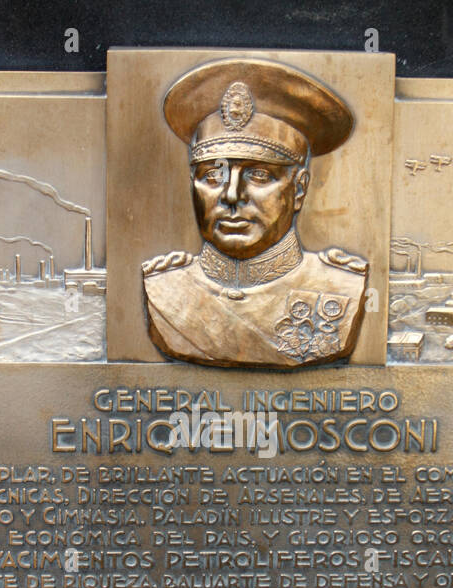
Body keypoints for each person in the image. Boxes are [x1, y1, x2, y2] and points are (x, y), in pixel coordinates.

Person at [143, 58, 368, 368]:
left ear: (299, 189)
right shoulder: (163, 290)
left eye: (259, 176)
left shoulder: (343, 286)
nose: (231, 195)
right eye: (212, 176)